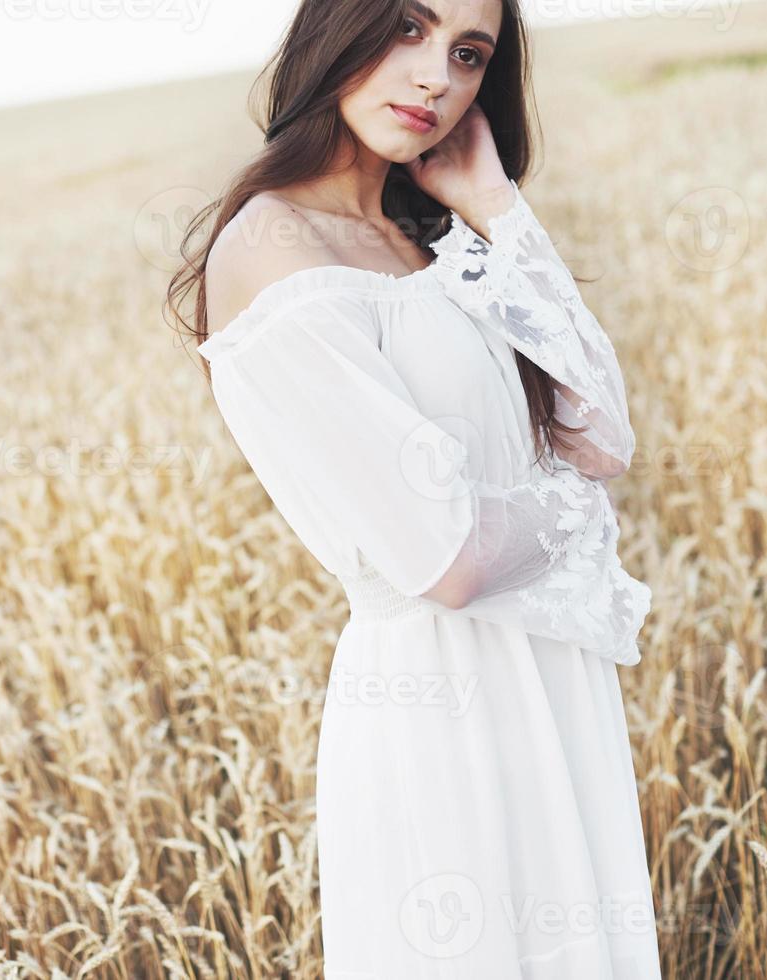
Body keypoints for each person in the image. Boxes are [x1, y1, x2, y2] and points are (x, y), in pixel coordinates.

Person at [165, 0, 662, 975]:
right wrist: (572, 509)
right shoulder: (271, 247)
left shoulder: (430, 234)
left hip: (548, 681)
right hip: (438, 704)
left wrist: (500, 210)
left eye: (467, 53)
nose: (436, 74)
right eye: (407, 28)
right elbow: (450, 557)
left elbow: (599, 432)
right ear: (335, 27)